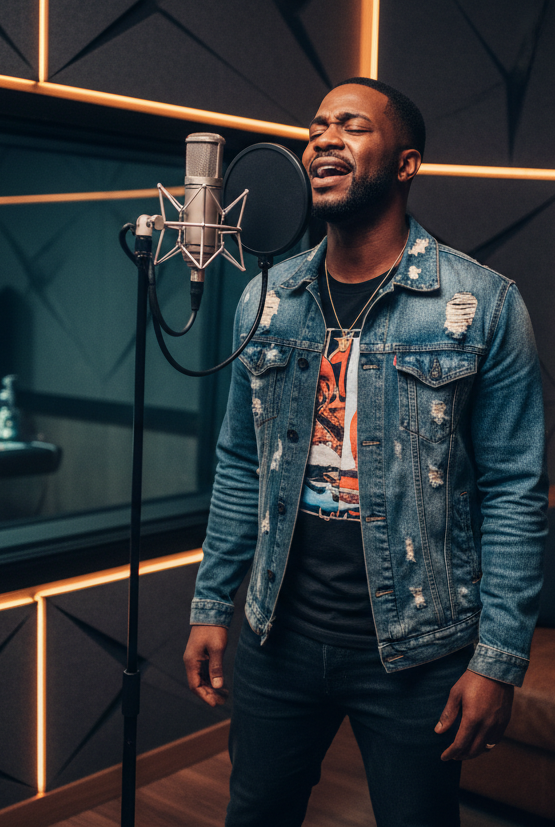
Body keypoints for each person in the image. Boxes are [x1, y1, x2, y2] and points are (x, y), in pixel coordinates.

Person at [183, 77, 548, 827]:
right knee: (254, 813)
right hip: (274, 633)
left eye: (350, 125)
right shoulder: (266, 298)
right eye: (315, 125)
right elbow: (239, 463)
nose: (322, 137)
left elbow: (517, 490)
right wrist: (212, 603)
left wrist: (497, 657)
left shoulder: (483, 305)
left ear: (406, 163)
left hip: (420, 647)